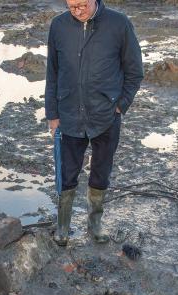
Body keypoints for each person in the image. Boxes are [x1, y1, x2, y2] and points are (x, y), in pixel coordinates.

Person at [45, 0, 143, 246]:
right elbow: (52, 73)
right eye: (71, 6)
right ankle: (63, 226)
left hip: (106, 116)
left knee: (101, 172)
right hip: (68, 114)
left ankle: (94, 224)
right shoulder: (58, 26)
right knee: (66, 173)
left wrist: (121, 104)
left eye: (81, 5)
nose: (77, 11)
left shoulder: (119, 24)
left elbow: (134, 71)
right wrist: (53, 114)